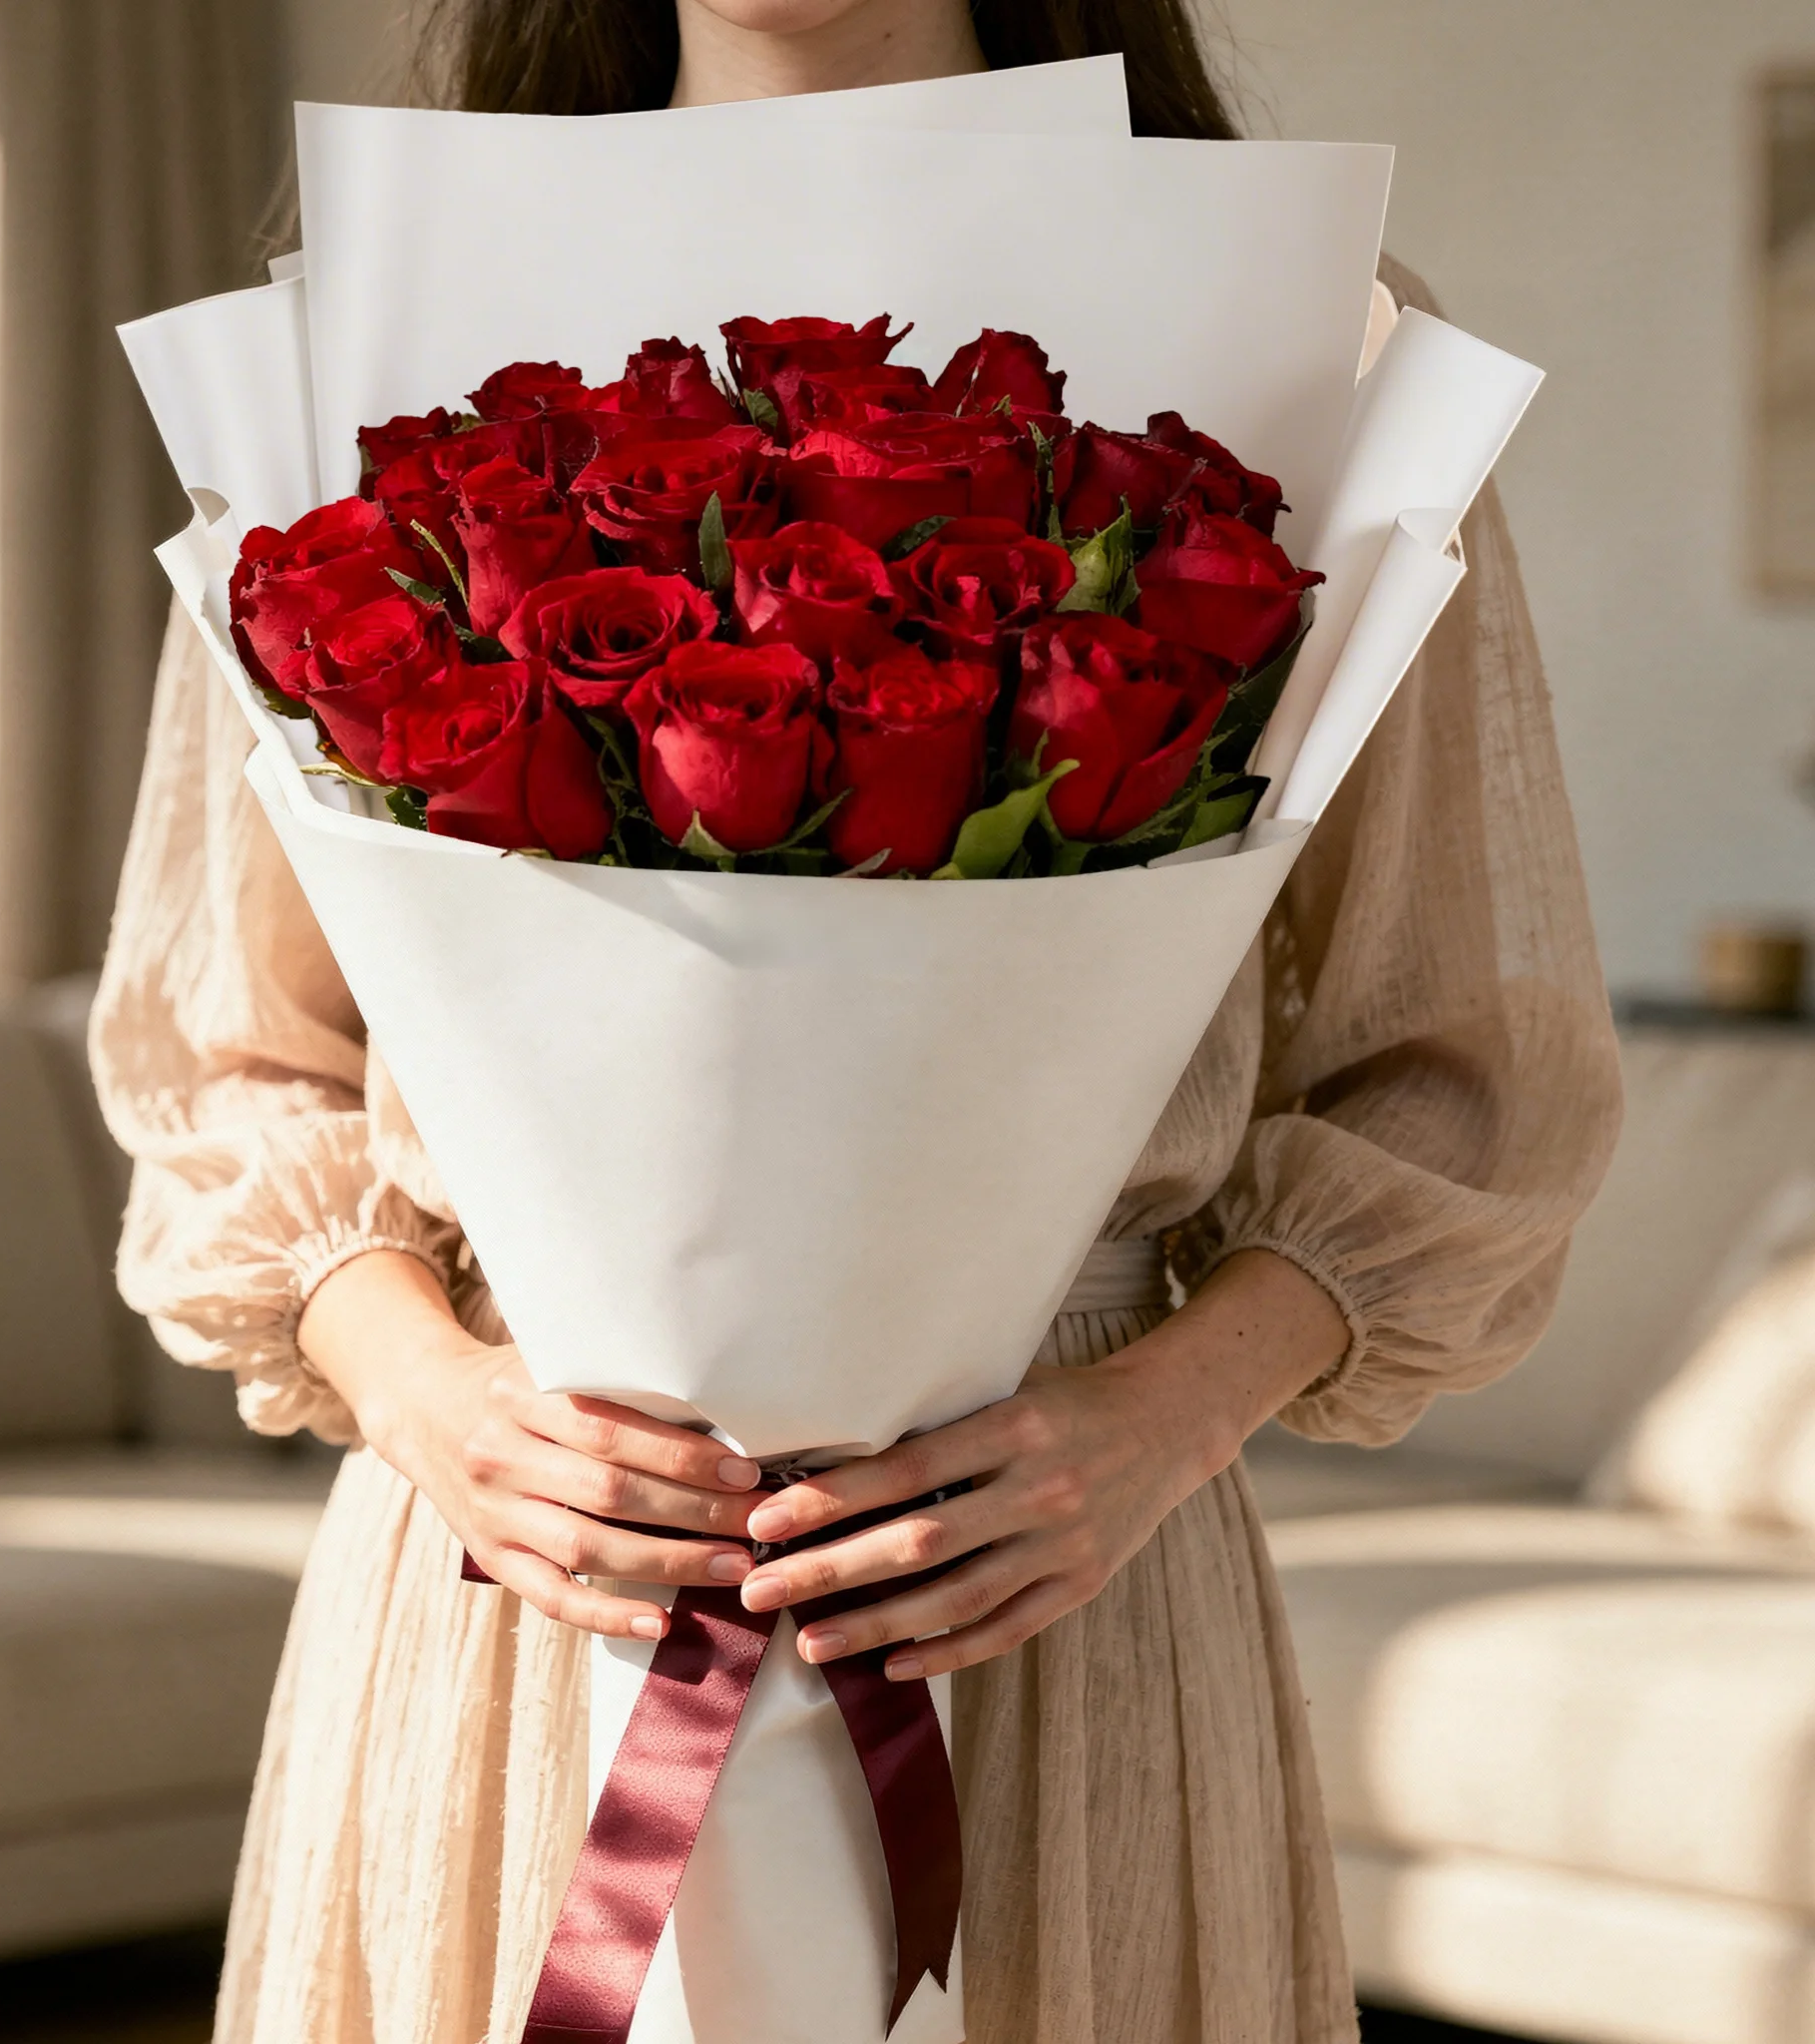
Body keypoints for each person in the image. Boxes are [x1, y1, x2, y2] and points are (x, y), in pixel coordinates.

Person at [91, 2, 1622, 2038]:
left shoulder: (1315, 336)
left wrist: (1151, 1423)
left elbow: (1463, 1076)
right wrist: (435, 1401)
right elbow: (236, 1054)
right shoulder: (364, 320)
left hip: (1050, 1562)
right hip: (520, 1557)